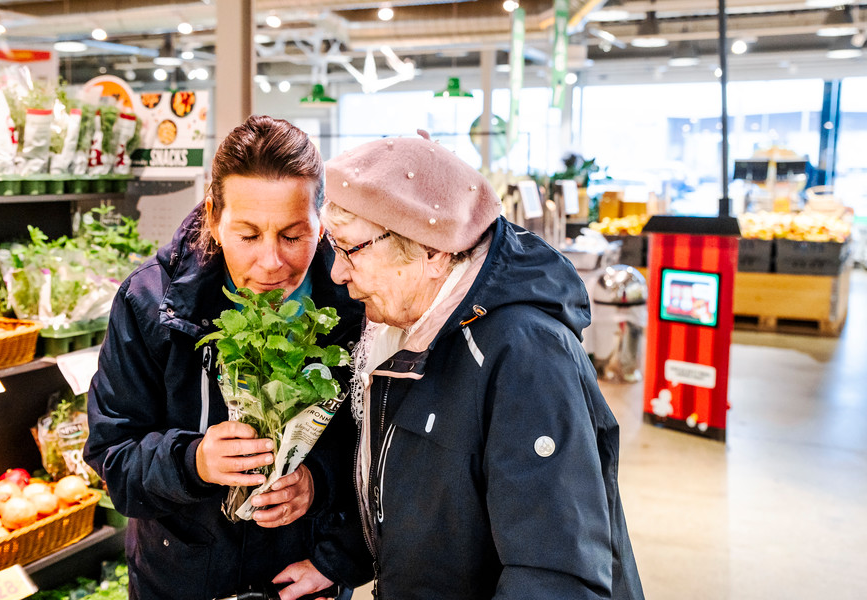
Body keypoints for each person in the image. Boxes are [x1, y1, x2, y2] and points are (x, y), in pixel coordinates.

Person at [320, 133, 645, 599]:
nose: (337, 271)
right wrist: (343, 560)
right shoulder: (406, 327)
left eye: (352, 249)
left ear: (432, 252)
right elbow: (429, 500)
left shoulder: (527, 357)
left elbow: (552, 575)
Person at [84, 115, 371, 600]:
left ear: (321, 220)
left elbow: (385, 449)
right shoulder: (151, 303)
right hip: (180, 580)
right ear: (214, 216)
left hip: (301, 582)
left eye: (293, 235)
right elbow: (113, 456)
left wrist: (322, 505)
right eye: (248, 234)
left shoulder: (356, 302)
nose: (271, 262)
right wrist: (193, 461)